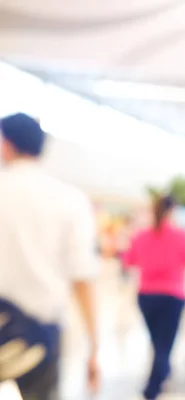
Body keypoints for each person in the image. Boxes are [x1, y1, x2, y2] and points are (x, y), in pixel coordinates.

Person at [0, 113, 99, 400]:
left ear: (7, 144)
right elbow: (82, 277)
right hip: (40, 336)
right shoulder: (69, 200)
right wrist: (94, 347)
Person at [123, 194, 185, 400]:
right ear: (173, 211)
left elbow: (128, 260)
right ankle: (152, 389)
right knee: (164, 345)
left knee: (158, 341)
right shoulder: (181, 235)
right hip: (171, 296)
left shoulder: (141, 235)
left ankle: (163, 373)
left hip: (147, 296)